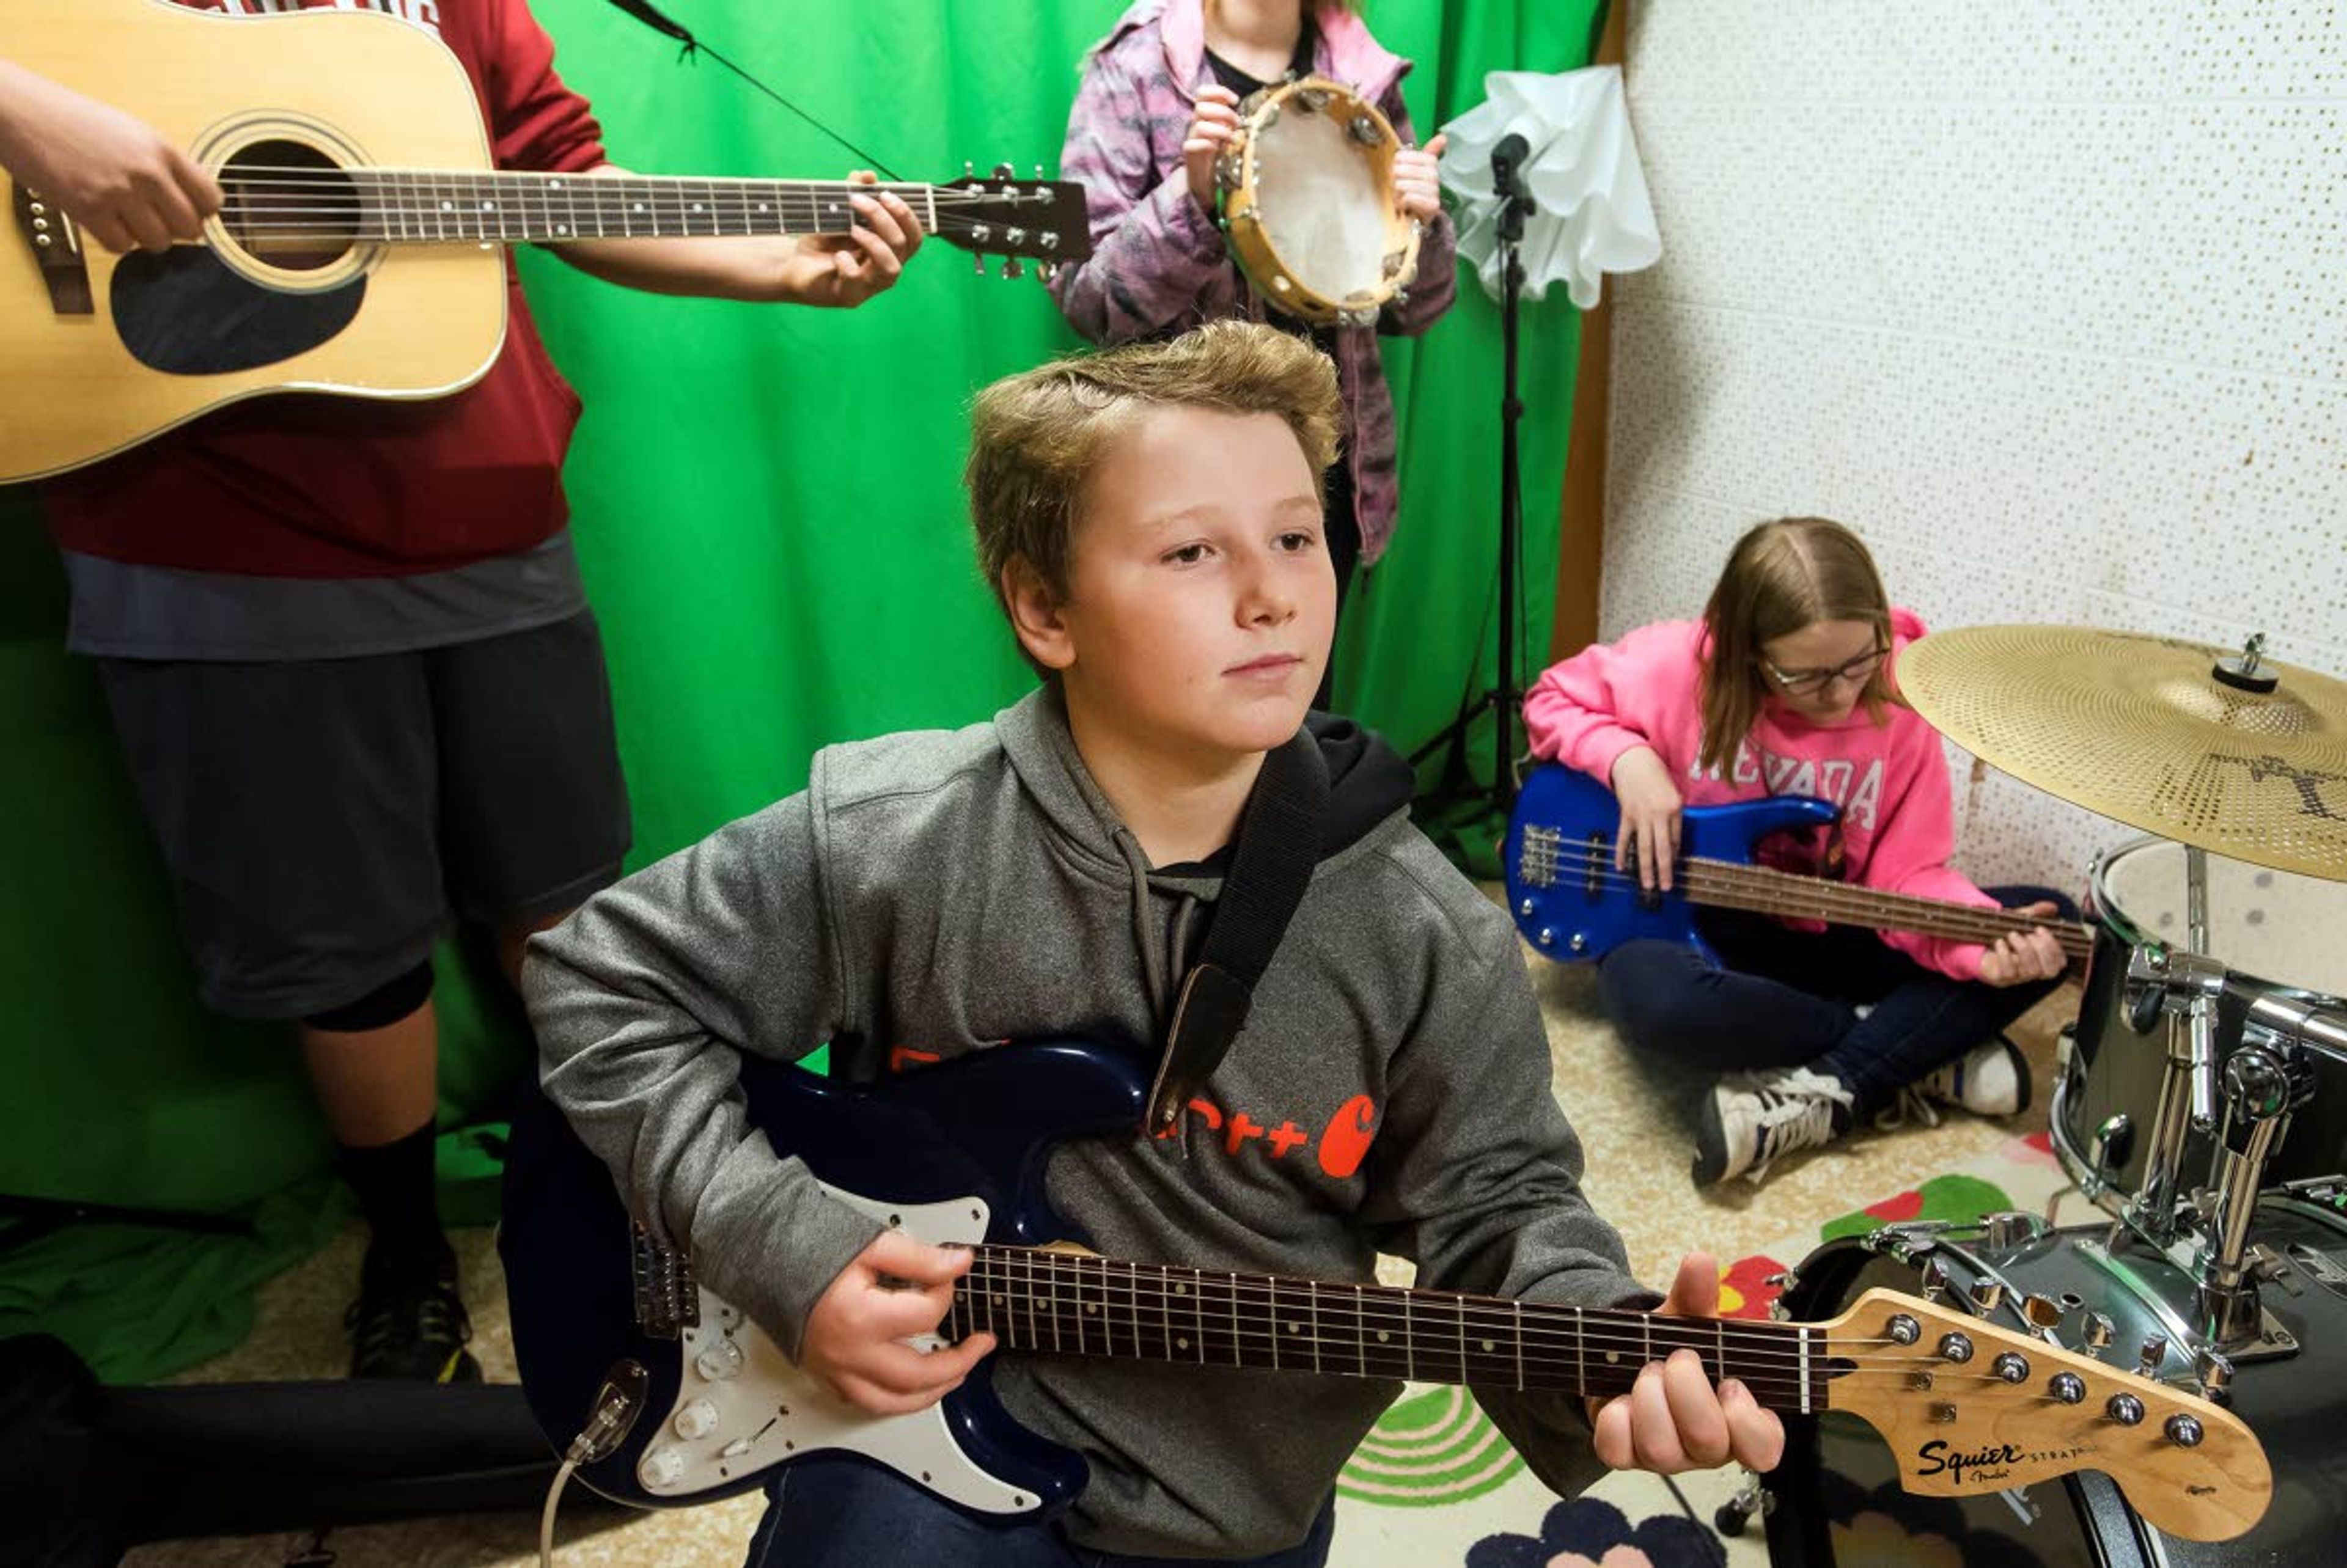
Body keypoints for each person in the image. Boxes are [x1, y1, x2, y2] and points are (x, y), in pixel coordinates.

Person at [523, 321, 1781, 1566]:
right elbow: (595, 976)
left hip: (1229, 1497)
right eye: (1192, 549)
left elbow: (1503, 1203)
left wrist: (1606, 1349)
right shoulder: (894, 837)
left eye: (1297, 535)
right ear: (1042, 605)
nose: (1273, 590)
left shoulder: (1427, 928)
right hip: (902, 1438)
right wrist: (780, 1241)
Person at [0, 0, 924, 1383]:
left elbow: (564, 187)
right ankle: (406, 1247)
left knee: (566, 904)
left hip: (487, 518)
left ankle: (620, 1198)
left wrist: (782, 272)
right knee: (343, 951)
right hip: (201, 546)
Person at [1523, 516, 2076, 1187]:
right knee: (1660, 1006)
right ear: (1746, 653)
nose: (1842, 693)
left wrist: (1976, 953)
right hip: (1689, 926)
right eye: (1806, 676)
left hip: (1830, 929)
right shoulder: (1674, 665)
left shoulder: (1901, 699)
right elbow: (1554, 697)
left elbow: (1907, 878)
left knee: (2047, 921)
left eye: (1859, 661)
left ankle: (1835, 1083)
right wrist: (1627, 758)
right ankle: (1914, 1050)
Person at [1048, 0, 1456, 705]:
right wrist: (1195, 201)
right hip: (1182, 481)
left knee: (1295, 709)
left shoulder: (1363, 75)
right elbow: (1089, 298)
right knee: (1186, 712)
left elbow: (1411, 311)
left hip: (1329, 467)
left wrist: (1425, 224)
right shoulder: (1137, 68)